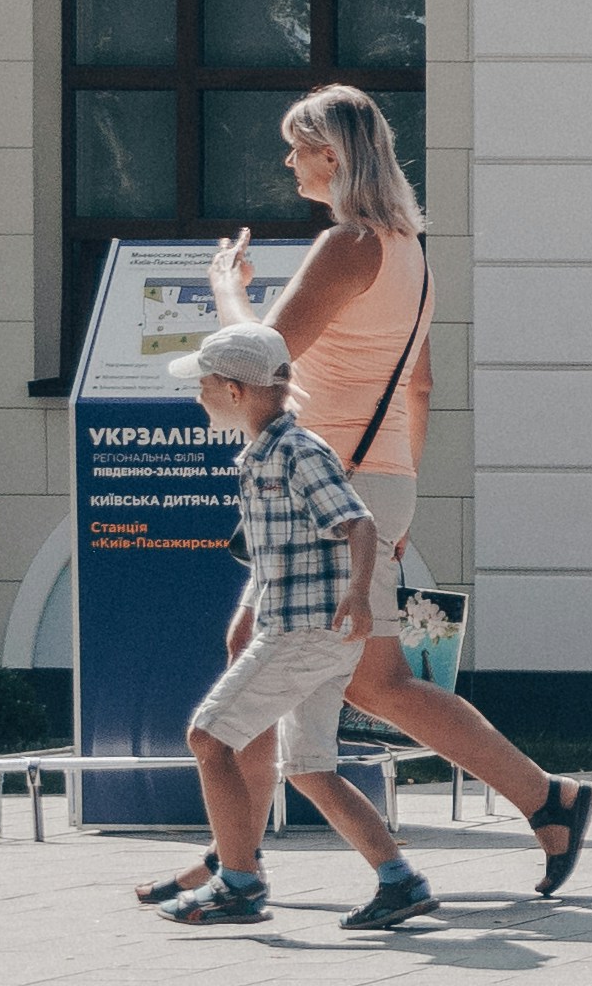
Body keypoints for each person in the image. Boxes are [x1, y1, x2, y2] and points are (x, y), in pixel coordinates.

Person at [140, 85, 592, 915]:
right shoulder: (410, 249)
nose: (288, 162)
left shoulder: (349, 244)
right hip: (374, 478)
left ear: (333, 156)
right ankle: (237, 848)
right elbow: (418, 384)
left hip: (329, 484)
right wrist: (401, 490)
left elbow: (262, 356)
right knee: (338, 669)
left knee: (313, 668)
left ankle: (242, 863)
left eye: (296, 147)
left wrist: (225, 288)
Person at [153, 324, 430, 932]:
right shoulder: (263, 455)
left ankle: (239, 885)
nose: (197, 394)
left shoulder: (296, 452)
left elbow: (358, 524)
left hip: (305, 633)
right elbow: (286, 548)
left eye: (203, 385)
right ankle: (399, 881)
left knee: (208, 739)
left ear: (233, 390)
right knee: (308, 768)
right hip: (306, 631)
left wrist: (359, 593)